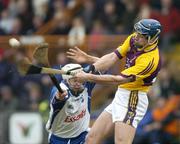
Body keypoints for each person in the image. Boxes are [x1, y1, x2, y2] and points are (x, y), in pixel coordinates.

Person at [67, 19, 162, 144]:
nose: (136, 37)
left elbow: (117, 80)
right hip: (121, 95)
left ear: (152, 38)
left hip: (133, 100)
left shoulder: (150, 60)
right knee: (91, 138)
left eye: (142, 35)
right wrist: (90, 65)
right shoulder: (134, 39)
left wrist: (87, 77)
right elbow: (113, 57)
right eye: (137, 33)